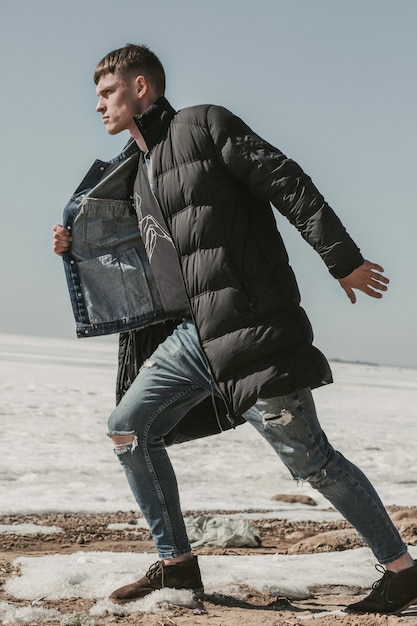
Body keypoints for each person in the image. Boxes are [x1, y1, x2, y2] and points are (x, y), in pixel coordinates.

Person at [53, 43, 416, 615]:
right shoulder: (139, 168)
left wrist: (342, 258)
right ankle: (177, 565)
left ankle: (401, 570)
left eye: (106, 92)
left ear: (141, 86)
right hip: (194, 339)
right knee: (128, 429)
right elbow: (140, 254)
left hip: (250, 331)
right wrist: (76, 247)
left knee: (313, 461)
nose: (98, 105)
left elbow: (286, 179)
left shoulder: (203, 126)